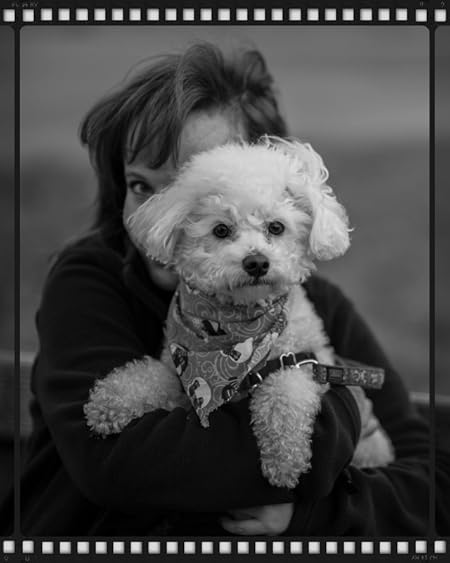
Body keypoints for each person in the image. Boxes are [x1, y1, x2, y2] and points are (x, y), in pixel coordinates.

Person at [0, 42, 444, 536]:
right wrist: (336, 415)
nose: (165, 215)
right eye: (142, 185)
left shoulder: (313, 304)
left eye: (197, 183)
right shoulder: (89, 282)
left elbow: (431, 483)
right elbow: (119, 464)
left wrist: (314, 514)